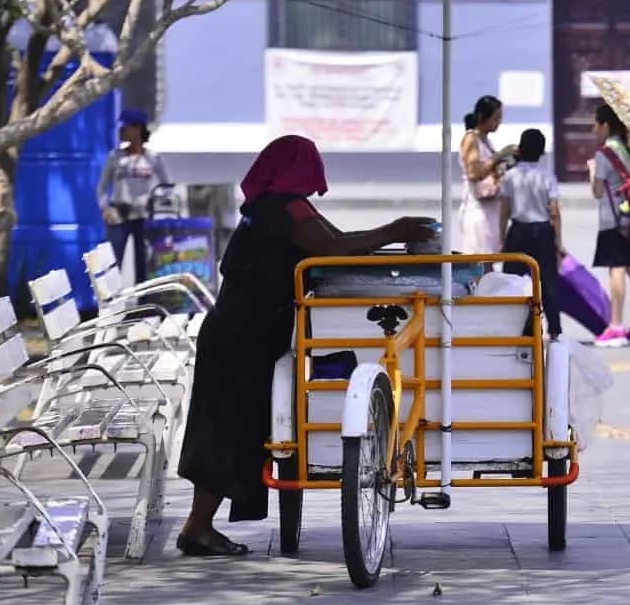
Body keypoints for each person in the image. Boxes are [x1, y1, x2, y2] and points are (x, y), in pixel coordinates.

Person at [175, 135, 436, 556]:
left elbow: (335, 241)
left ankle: (197, 526)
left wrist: (385, 245)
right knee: (228, 431)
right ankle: (196, 528)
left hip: (238, 332)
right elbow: (333, 247)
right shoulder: (283, 208)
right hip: (242, 338)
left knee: (232, 430)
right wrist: (396, 228)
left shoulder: (277, 206)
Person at [588, 103, 630, 347]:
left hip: (613, 220)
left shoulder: (604, 154)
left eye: (595, 124)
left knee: (617, 269)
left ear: (605, 125)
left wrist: (592, 172)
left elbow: (598, 191)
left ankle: (616, 327)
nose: (594, 130)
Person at [499, 128, 564, 339]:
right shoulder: (547, 176)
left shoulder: (510, 176)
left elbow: (505, 210)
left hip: (518, 231)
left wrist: (502, 238)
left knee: (511, 283)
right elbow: (554, 212)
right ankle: (554, 330)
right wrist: (558, 242)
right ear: (542, 151)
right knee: (548, 283)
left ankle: (510, 327)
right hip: (543, 232)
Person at [97, 108, 170, 283]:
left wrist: (154, 199)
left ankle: (143, 306)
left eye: (126, 126)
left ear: (138, 128)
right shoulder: (115, 157)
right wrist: (105, 208)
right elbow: (101, 187)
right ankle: (111, 305)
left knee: (144, 263)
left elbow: (167, 186)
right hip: (118, 216)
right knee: (112, 264)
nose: (121, 131)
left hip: (144, 217)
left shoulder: (153, 158)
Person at [458, 95, 517, 255]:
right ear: (483, 117)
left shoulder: (486, 140)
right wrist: (500, 155)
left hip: (491, 208)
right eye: (496, 118)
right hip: (477, 210)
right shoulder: (471, 139)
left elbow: (490, 167)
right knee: (479, 261)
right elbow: (474, 172)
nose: (499, 123)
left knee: (489, 260)